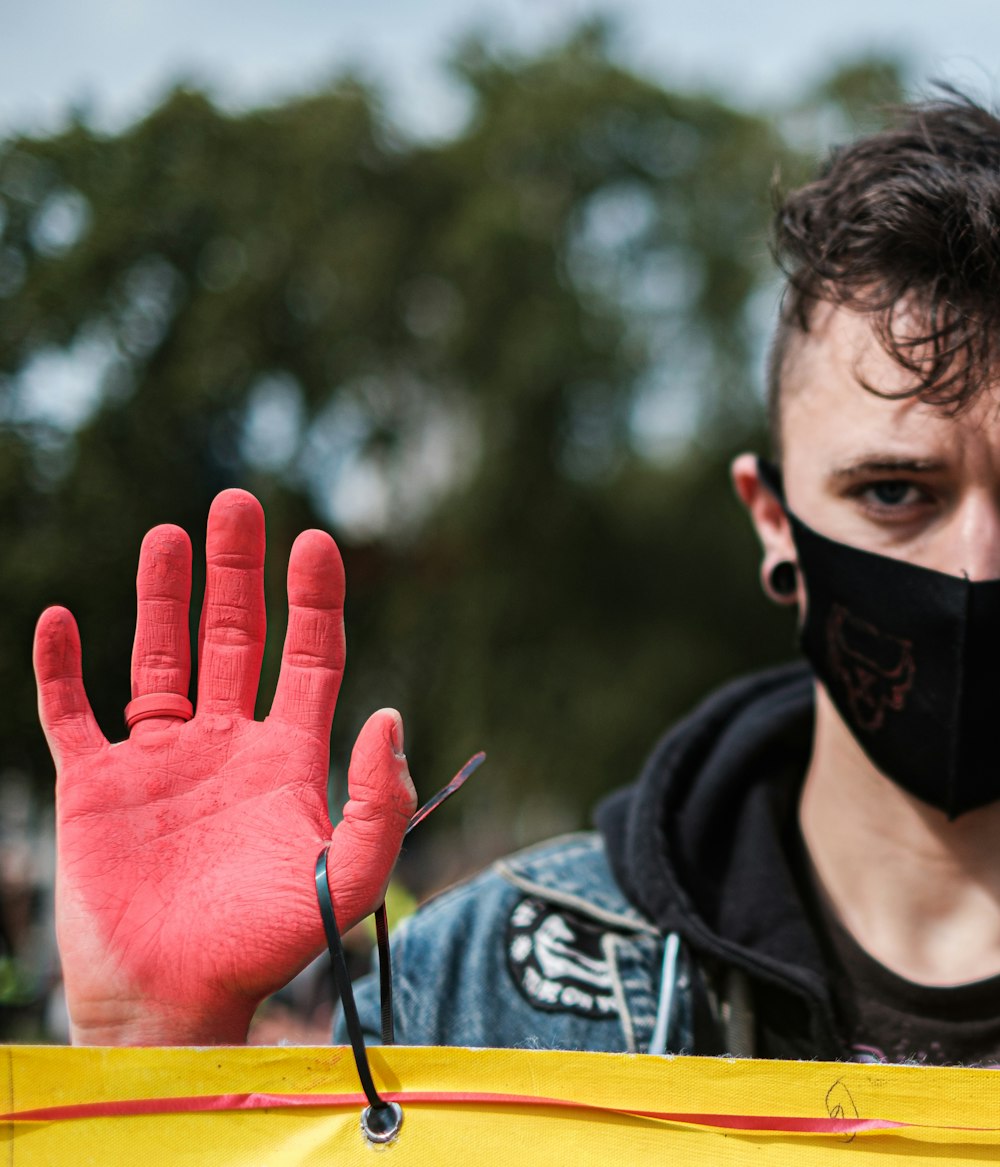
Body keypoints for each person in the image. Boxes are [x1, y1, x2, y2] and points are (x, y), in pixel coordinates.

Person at [38, 92, 1000, 1063]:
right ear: (772, 520)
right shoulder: (471, 999)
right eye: (891, 491)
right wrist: (159, 1050)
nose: (977, 563)